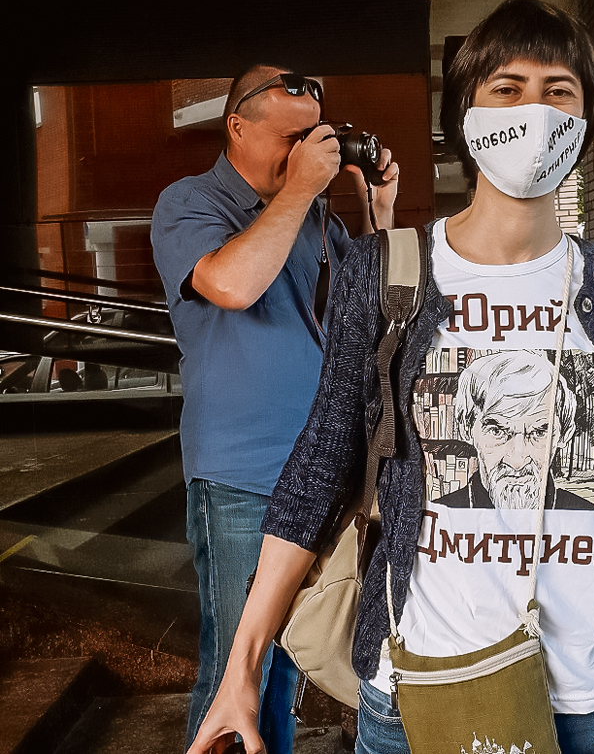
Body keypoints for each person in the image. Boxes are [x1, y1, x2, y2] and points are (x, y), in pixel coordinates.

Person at [186, 0, 594, 754]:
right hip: (423, 696)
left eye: (559, 90)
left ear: (587, 120)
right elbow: (321, 466)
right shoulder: (386, 273)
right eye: (506, 88)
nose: (535, 112)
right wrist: (240, 669)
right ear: (464, 115)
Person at [150, 65, 398, 753]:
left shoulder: (317, 218)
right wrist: (299, 190)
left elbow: (380, 310)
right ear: (237, 127)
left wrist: (379, 211)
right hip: (242, 478)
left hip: (316, 478)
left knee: (290, 667)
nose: (306, 153)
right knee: (238, 672)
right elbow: (231, 283)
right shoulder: (190, 202)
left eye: (315, 137)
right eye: (291, 138)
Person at [436, 350, 594, 510]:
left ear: (564, 434)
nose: (517, 462)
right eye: (497, 431)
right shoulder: (441, 513)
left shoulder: (589, 515)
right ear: (466, 428)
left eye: (539, 433)